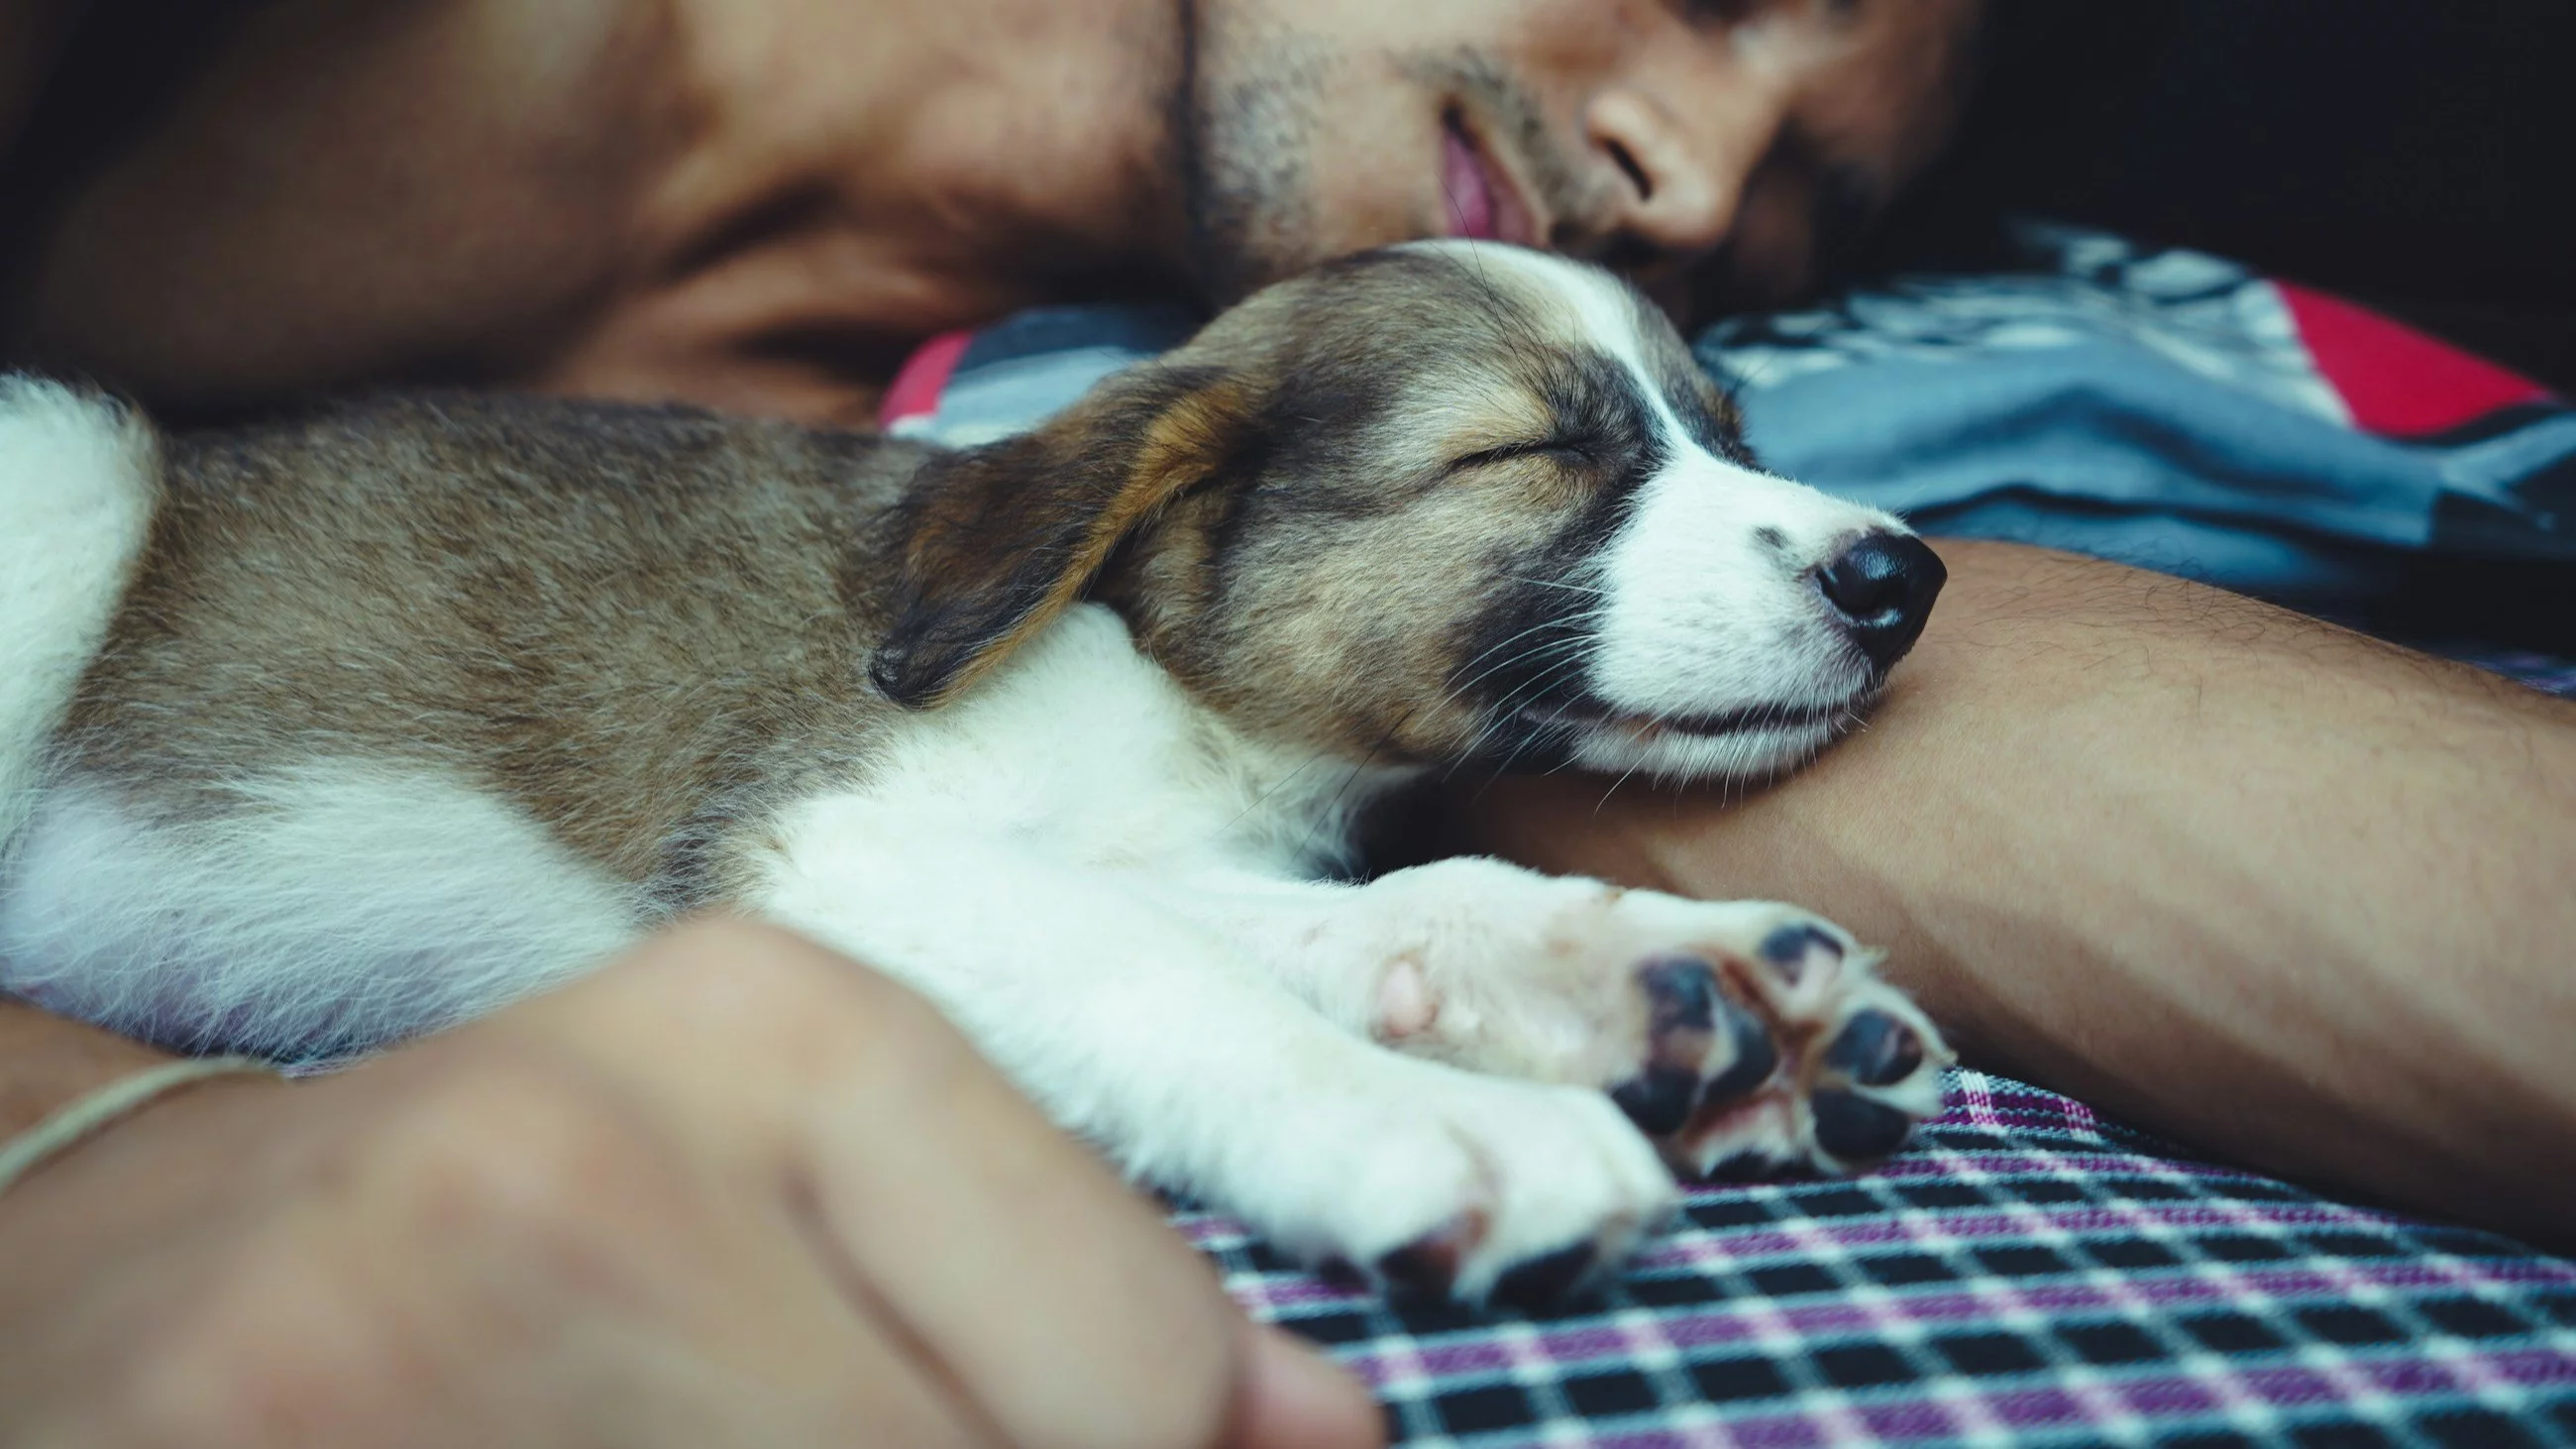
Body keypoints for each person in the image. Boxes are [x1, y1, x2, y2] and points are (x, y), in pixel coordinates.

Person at [0, 0, 2570, 1442]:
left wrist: (1464, 947)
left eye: (1808, 216)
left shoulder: (1189, 473)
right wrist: (75, 1138)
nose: (1690, 172)